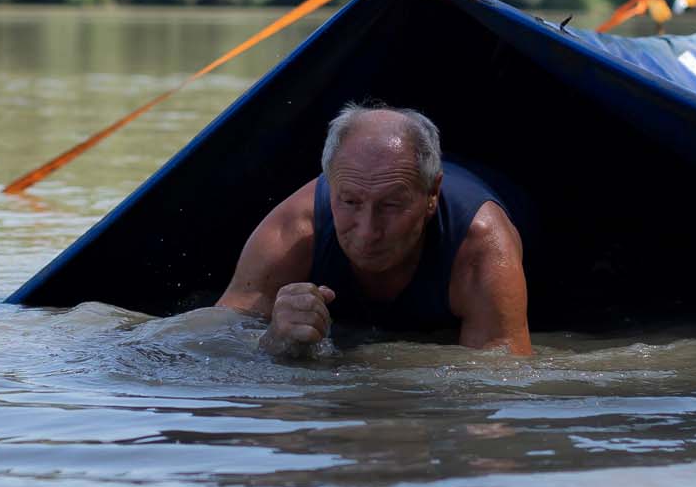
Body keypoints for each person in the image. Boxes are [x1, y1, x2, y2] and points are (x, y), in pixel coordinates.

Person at [215, 103, 531, 357]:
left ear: (432, 195)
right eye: (350, 201)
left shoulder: (480, 243)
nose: (367, 232)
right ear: (330, 184)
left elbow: (499, 381)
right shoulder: (294, 229)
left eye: (391, 205)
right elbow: (210, 340)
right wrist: (273, 342)